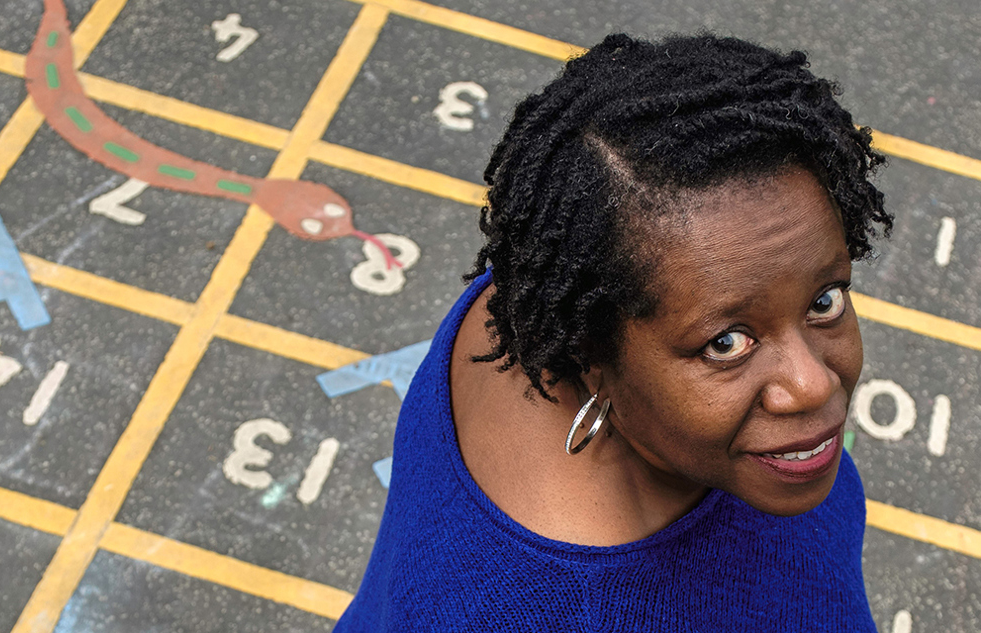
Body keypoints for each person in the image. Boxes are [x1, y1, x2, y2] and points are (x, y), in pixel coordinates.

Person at [335, 33, 893, 632]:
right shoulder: (561, 613)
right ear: (590, 352)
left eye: (825, 300)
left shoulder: (533, 293)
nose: (812, 385)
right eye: (726, 343)